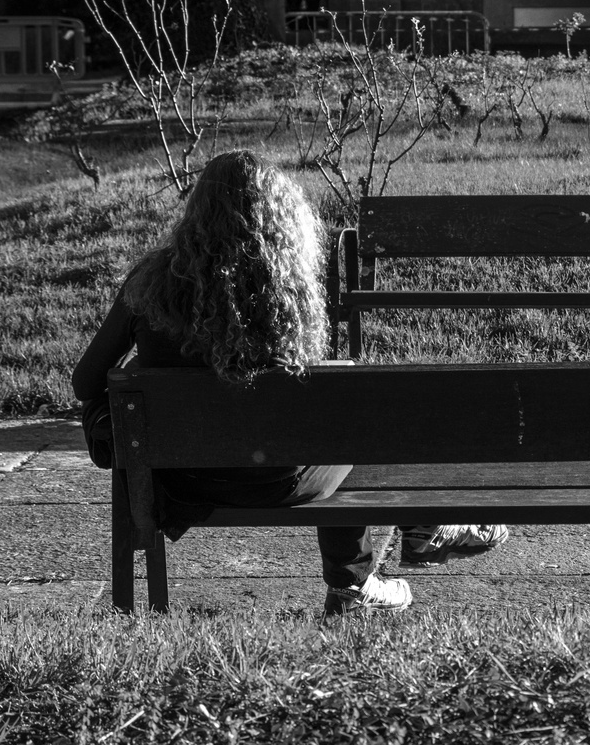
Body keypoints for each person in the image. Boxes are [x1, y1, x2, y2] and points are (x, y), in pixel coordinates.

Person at [71, 150, 507, 615]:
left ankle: (403, 543)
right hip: (276, 478)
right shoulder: (286, 287)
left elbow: (86, 383)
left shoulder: (149, 283)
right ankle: (390, 553)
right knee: (355, 416)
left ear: (195, 210)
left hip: (181, 480)